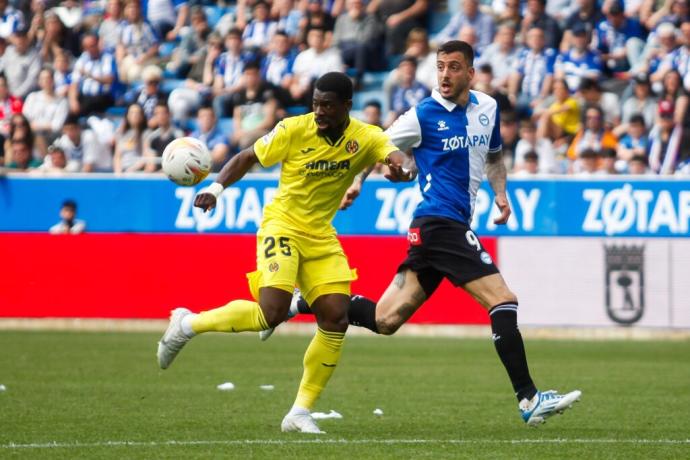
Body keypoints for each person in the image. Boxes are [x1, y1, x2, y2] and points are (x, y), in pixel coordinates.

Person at [264, 41, 582, 426]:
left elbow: (495, 155)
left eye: (453, 67)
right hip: (438, 223)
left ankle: (304, 303)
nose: (445, 75)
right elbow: (376, 143)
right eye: (440, 67)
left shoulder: (488, 108)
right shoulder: (423, 115)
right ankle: (529, 399)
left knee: (385, 319)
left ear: (471, 73)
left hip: (442, 228)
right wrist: (358, 183)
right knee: (503, 301)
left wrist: (500, 193)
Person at [156, 71, 414, 434]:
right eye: (316, 103)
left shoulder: (366, 137)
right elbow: (247, 156)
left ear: (347, 106)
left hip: (321, 236)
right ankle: (186, 324)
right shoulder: (293, 128)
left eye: (327, 105)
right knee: (270, 313)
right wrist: (216, 188)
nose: (319, 111)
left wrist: (404, 169)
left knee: (336, 318)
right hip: (282, 227)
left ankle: (299, 413)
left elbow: (397, 155)